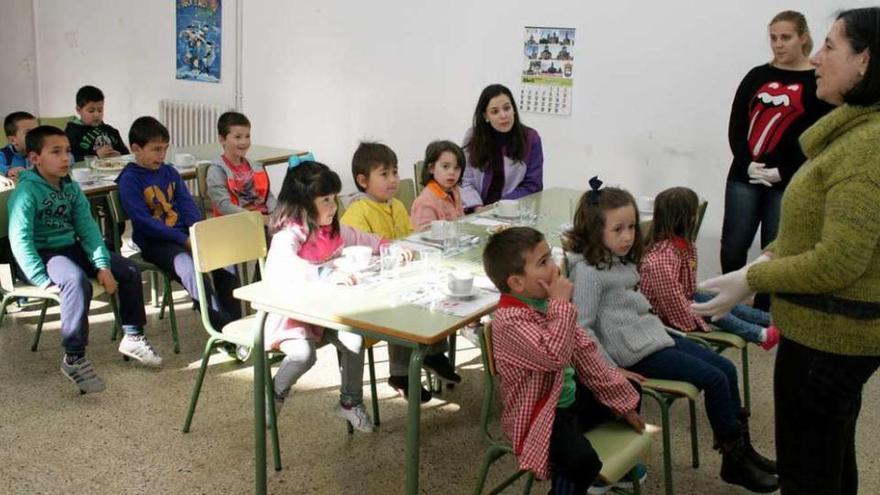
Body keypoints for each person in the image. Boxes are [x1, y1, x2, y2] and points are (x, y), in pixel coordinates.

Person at [695, 8, 880, 494]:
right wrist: (767, 259)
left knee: (808, 469)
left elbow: (840, 260)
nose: (818, 57)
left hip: (828, 337)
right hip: (829, 332)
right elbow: (810, 231)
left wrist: (752, 278)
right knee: (831, 455)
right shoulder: (857, 133)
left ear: (865, 61)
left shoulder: (865, 149)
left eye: (831, 46)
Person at [565, 181, 778, 493]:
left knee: (726, 370)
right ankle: (734, 461)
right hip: (634, 353)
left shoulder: (620, 260)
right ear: (594, 230)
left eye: (632, 227)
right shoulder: (588, 272)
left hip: (653, 337)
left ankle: (742, 453)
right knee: (715, 379)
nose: (628, 236)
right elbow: (582, 329)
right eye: (618, 229)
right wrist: (610, 368)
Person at [483, 226, 645, 494]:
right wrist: (561, 305)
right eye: (543, 262)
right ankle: (571, 483)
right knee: (581, 461)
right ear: (517, 283)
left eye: (551, 257)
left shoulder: (547, 304)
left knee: (631, 393)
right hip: (541, 414)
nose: (555, 268)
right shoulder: (509, 321)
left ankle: (609, 472)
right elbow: (554, 356)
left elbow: (584, 352)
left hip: (566, 398)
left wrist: (620, 398)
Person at [8, 126, 162, 393]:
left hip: (70, 248)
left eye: (67, 151)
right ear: (35, 159)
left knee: (128, 269)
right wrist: (42, 280)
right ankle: (74, 357)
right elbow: (20, 240)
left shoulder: (71, 187)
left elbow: (88, 229)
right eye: (56, 152)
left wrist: (102, 264)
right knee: (76, 282)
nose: (65, 158)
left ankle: (133, 335)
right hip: (40, 256)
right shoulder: (26, 192)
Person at [721, 11, 833, 310]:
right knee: (733, 245)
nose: (778, 44)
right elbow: (737, 124)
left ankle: (763, 311)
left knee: (775, 247)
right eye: (773, 38)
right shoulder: (757, 76)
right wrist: (744, 162)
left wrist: (784, 171)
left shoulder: (816, 81)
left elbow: (816, 135)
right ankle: (727, 303)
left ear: (803, 38)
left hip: (788, 182)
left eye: (786, 37)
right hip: (744, 176)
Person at [264, 160, 384, 432]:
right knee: (304, 355)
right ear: (305, 204)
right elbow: (283, 268)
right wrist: (326, 274)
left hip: (325, 315)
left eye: (334, 199)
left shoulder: (332, 230)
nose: (333, 206)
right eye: (326, 200)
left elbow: (361, 238)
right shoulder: (290, 234)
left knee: (355, 337)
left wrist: (385, 246)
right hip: (292, 316)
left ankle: (350, 402)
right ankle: (274, 393)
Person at [340, 141, 457, 402]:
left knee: (433, 290)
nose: (393, 179)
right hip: (375, 289)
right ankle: (400, 373)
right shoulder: (357, 211)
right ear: (362, 181)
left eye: (395, 172)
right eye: (384, 174)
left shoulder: (397, 205)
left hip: (400, 276)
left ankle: (435, 353)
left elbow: (409, 239)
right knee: (403, 306)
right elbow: (358, 251)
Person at [117, 116, 241, 339]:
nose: (162, 155)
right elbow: (143, 222)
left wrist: (197, 232)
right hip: (155, 242)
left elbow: (188, 206)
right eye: (156, 149)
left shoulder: (170, 172)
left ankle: (237, 326)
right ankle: (222, 331)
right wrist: (182, 239)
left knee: (225, 259)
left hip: (185, 235)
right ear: (135, 149)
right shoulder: (129, 179)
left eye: (165, 149)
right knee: (190, 269)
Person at [640, 187, 779, 350]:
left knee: (724, 301)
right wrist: (698, 318)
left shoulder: (684, 246)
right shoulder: (661, 257)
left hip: (686, 301)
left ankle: (772, 320)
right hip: (666, 315)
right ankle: (760, 334)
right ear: (691, 218)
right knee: (715, 308)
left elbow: (686, 292)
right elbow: (672, 301)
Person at [461, 84, 543, 210]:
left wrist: (499, 205)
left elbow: (533, 185)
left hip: (514, 211)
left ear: (514, 109)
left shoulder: (530, 138)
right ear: (485, 116)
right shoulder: (473, 137)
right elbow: (465, 180)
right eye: (495, 111)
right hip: (475, 211)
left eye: (507, 108)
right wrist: (478, 207)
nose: (503, 115)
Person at [206, 111, 277, 220]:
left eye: (247, 136)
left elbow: (268, 196)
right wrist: (258, 219)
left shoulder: (256, 166)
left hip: (263, 219)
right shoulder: (216, 170)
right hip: (237, 223)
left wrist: (276, 215)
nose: (244, 142)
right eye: (238, 137)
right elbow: (224, 206)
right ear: (222, 139)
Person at [409, 140, 465, 232]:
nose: (452, 172)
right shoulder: (425, 201)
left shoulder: (455, 190)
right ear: (431, 168)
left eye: (456, 168)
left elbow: (461, 221)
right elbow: (424, 236)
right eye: (445, 166)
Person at [64, 85, 129, 162]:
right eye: (91, 111)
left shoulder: (111, 131)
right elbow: (70, 159)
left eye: (100, 110)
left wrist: (119, 156)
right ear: (78, 110)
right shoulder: (71, 132)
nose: (96, 115)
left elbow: (127, 154)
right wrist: (96, 155)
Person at [1, 111, 37, 180]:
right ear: (12, 140)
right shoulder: (5, 154)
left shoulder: (40, 152)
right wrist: (8, 170)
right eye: (28, 132)